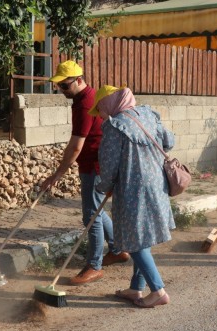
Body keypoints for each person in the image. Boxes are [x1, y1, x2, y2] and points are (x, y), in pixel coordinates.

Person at [42, 61, 129, 285]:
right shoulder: (85, 98)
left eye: (65, 85)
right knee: (97, 211)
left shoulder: (84, 104)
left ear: (79, 80)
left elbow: (76, 146)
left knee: (91, 216)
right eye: (59, 85)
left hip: (94, 165)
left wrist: (57, 175)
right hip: (96, 163)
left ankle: (94, 266)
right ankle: (118, 250)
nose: (62, 90)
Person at [89, 85, 175, 307]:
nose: (99, 114)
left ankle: (158, 291)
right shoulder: (148, 114)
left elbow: (108, 166)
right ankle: (136, 289)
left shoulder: (114, 126)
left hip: (133, 190)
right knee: (141, 236)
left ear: (108, 103)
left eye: (99, 108)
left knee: (134, 240)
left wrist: (103, 186)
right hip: (158, 184)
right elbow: (169, 141)